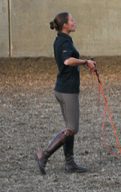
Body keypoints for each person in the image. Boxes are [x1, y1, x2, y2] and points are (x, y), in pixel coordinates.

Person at [34, 12, 94, 175]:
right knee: (72, 128)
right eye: (72, 20)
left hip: (62, 88)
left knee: (69, 128)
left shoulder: (61, 39)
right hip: (67, 90)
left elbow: (69, 61)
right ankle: (44, 155)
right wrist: (85, 62)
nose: (74, 22)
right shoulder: (64, 41)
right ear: (65, 25)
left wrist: (83, 63)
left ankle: (70, 163)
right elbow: (68, 61)